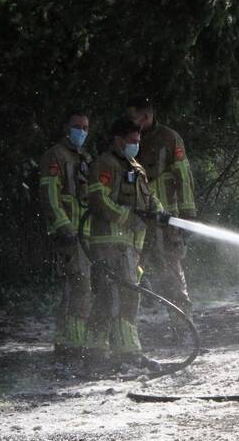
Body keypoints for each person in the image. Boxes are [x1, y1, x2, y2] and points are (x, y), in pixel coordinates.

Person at [86, 116, 166, 371]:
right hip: (108, 243)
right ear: (118, 140)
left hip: (131, 246)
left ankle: (128, 352)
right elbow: (98, 199)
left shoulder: (136, 167)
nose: (136, 145)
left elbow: (148, 198)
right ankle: (96, 353)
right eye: (131, 141)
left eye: (138, 141)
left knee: (130, 298)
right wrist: (127, 218)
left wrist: (159, 211)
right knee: (108, 299)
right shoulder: (105, 164)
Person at [125, 96, 198, 326]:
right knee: (130, 273)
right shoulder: (126, 139)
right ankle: (127, 333)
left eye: (135, 117)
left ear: (147, 116)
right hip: (135, 220)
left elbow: (184, 178)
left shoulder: (169, 138)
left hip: (166, 222)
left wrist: (187, 217)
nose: (131, 122)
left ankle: (183, 327)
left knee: (172, 276)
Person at [38, 110, 93, 359]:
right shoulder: (55, 156)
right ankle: (70, 343)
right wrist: (63, 227)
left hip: (85, 233)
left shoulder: (85, 158)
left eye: (85, 127)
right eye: (77, 126)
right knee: (77, 286)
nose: (81, 131)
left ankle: (71, 340)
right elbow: (50, 196)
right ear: (66, 128)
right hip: (68, 233)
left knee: (82, 286)